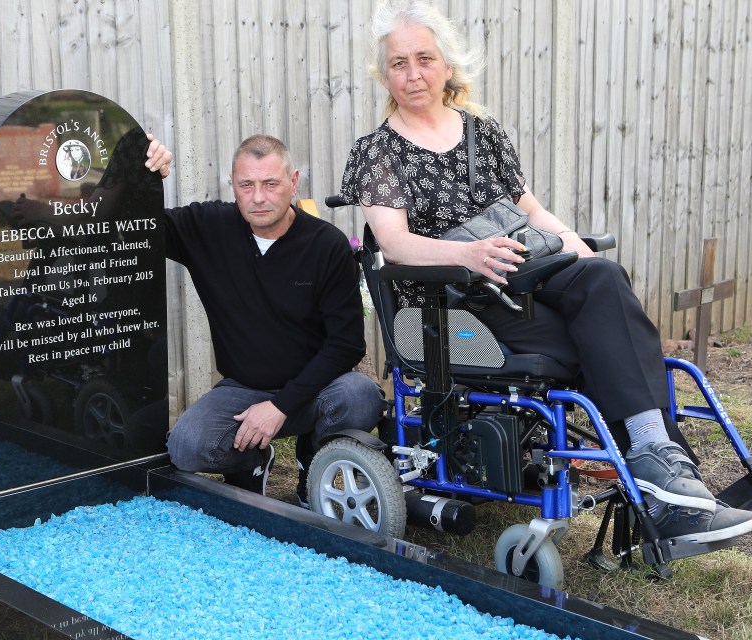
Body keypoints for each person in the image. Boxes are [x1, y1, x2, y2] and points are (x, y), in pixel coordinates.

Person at [338, 0, 752, 542]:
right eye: (399, 63)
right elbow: (395, 245)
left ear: (447, 65)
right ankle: (667, 483)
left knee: (604, 280)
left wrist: (575, 244)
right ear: (383, 72)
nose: (413, 74)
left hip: (524, 277)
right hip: (454, 303)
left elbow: (530, 211)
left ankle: (659, 466)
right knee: (601, 343)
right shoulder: (377, 152)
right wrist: (467, 254)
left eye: (424, 58)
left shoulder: (482, 134)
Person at [146, 134, 385, 500]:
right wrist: (144, 174)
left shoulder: (326, 244)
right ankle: (250, 464)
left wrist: (279, 407)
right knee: (187, 446)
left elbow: (347, 343)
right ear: (232, 185)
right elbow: (137, 228)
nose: (258, 197)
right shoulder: (208, 227)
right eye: (247, 185)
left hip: (316, 388)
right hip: (244, 387)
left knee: (361, 395)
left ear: (293, 182)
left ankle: (314, 464)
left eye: (271, 184)